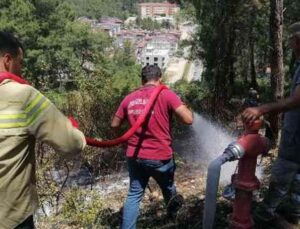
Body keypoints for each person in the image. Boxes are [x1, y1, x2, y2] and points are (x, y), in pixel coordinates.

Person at [0, 32, 86, 228]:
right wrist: (71, 129)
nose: (21, 70)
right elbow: (71, 144)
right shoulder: (23, 96)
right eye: (20, 63)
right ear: (7, 60)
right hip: (11, 218)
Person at [111, 65, 193, 229]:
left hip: (134, 156)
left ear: (142, 80)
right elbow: (188, 119)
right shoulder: (167, 95)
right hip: (159, 156)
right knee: (168, 187)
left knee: (134, 194)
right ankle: (175, 219)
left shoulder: (129, 98)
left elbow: (114, 125)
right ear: (160, 78)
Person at [242, 22, 300, 226]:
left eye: (293, 40)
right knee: (298, 176)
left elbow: (296, 100)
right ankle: (294, 212)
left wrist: (261, 109)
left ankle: (264, 215)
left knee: (282, 175)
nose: (291, 44)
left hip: (296, 138)